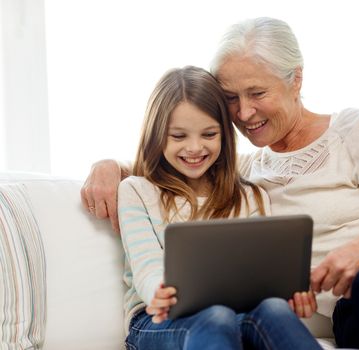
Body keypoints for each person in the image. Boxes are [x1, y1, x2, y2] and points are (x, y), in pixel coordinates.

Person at [82, 18, 359, 350]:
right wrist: (110, 166)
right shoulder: (245, 173)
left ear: (296, 80)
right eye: (231, 98)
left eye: (257, 92)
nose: (245, 112)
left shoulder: (353, 127)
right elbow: (181, 159)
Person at [114, 65, 322, 350]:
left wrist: (289, 294)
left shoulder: (250, 196)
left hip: (235, 315)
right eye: (179, 136)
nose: (195, 147)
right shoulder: (137, 191)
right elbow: (146, 266)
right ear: (156, 135)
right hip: (156, 320)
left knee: (273, 309)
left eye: (209, 134)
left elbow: (262, 272)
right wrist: (157, 292)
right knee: (216, 317)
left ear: (225, 135)